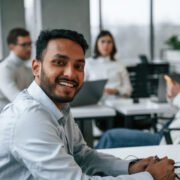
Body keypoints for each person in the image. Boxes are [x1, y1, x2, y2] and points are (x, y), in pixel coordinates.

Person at [0, 29, 175, 180]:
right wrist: (149, 177)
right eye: (59, 62)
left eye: (78, 66)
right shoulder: (30, 116)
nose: (70, 73)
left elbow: (83, 156)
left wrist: (131, 168)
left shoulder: (59, 106)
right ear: (36, 68)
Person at [96, 79, 180, 149]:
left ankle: (89, 167)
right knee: (109, 136)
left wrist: (177, 94)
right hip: (166, 133)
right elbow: (176, 104)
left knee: (110, 137)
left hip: (167, 140)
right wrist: (171, 95)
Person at [85, 30, 132, 98]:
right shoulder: (88, 63)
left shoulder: (119, 65)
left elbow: (128, 89)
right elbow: (82, 88)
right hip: (95, 102)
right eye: (103, 41)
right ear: (97, 44)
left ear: (113, 45)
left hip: (117, 101)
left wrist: (116, 90)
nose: (106, 45)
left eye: (109, 42)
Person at [0, 27, 33, 111]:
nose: (29, 48)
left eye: (30, 44)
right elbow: (17, 99)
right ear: (11, 47)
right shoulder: (4, 68)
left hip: (20, 115)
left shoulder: (27, 69)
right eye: (24, 45)